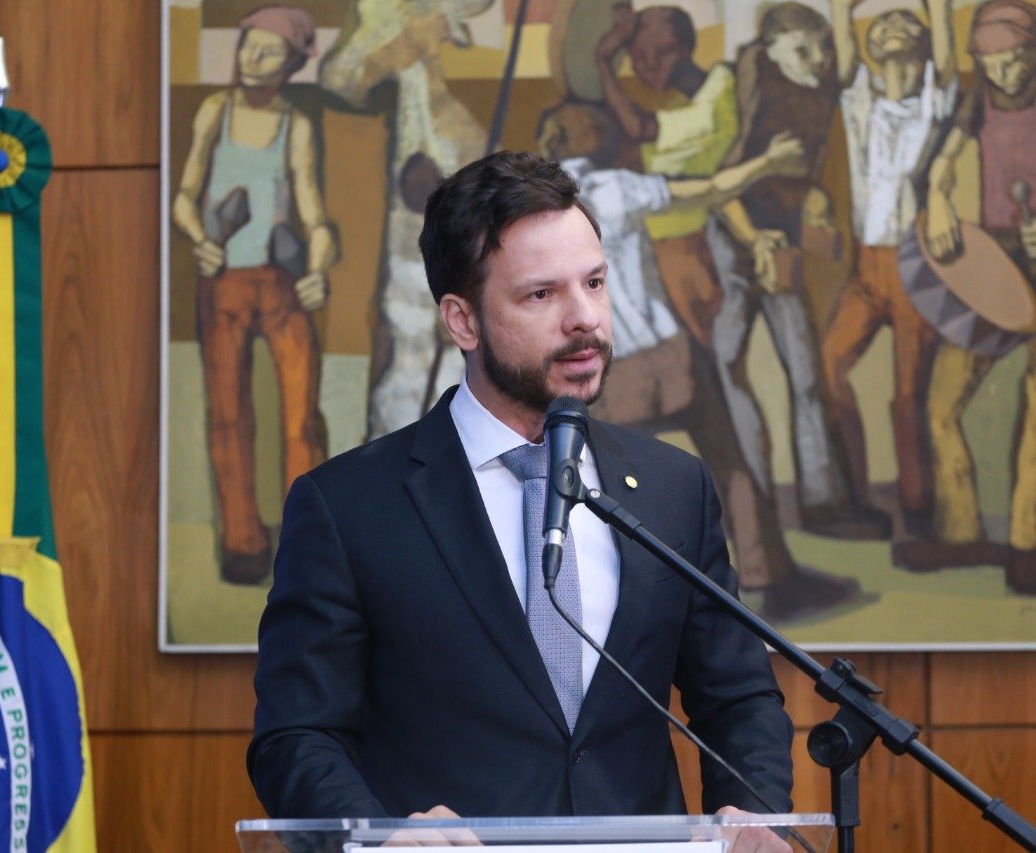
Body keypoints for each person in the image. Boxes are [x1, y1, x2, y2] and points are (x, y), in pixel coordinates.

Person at [249, 151, 794, 826]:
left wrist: (754, 813)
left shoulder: (672, 486)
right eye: (542, 294)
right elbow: (297, 735)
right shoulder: (347, 507)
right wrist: (380, 835)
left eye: (594, 283)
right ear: (463, 320)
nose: (585, 318)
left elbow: (737, 698)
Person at [537, 100, 859, 621]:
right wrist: (768, 163)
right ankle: (770, 577)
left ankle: (622, 602)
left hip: (604, 371)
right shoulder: (618, 188)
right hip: (668, 355)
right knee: (729, 463)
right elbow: (710, 189)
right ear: (598, 139)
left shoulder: (533, 215)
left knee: (601, 485)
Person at [707, 2, 892, 540]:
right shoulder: (754, 92)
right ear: (771, 53)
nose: (819, 60)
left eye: (823, 48)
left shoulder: (819, 83)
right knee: (728, 364)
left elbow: (845, 60)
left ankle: (823, 503)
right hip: (739, 234)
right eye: (803, 51)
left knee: (806, 374)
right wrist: (754, 240)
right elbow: (722, 188)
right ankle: (748, 504)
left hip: (780, 238)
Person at [172, 6, 336, 584]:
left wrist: (318, 267)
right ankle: (242, 545)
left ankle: (307, 550)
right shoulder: (214, 113)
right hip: (224, 282)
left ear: (292, 63)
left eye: (270, 52)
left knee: (300, 417)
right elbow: (185, 196)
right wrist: (199, 240)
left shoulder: (296, 125)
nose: (253, 59)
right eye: (248, 46)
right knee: (228, 414)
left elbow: (313, 213)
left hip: (282, 281)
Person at [909, 0, 1036, 593]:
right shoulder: (976, 96)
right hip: (996, 258)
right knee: (942, 404)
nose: (1004, 73)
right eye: (992, 63)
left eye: (1013, 61)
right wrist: (936, 194)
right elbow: (938, 165)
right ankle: (961, 534)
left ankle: (1027, 546)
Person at [822, 0, 957, 540]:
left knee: (908, 394)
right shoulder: (860, 100)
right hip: (866, 266)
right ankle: (857, 495)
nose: (896, 25)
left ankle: (918, 510)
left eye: (908, 21)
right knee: (829, 367)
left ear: (922, 42)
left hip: (914, 268)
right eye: (884, 22)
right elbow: (841, 25)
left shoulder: (935, 98)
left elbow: (945, 36)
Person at [593, 5, 739, 349]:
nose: (649, 65)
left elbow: (639, 127)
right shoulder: (678, 106)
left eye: (662, 52)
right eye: (638, 57)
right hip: (658, 253)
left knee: (709, 356)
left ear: (688, 48)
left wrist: (603, 62)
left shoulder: (720, 91)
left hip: (694, 249)